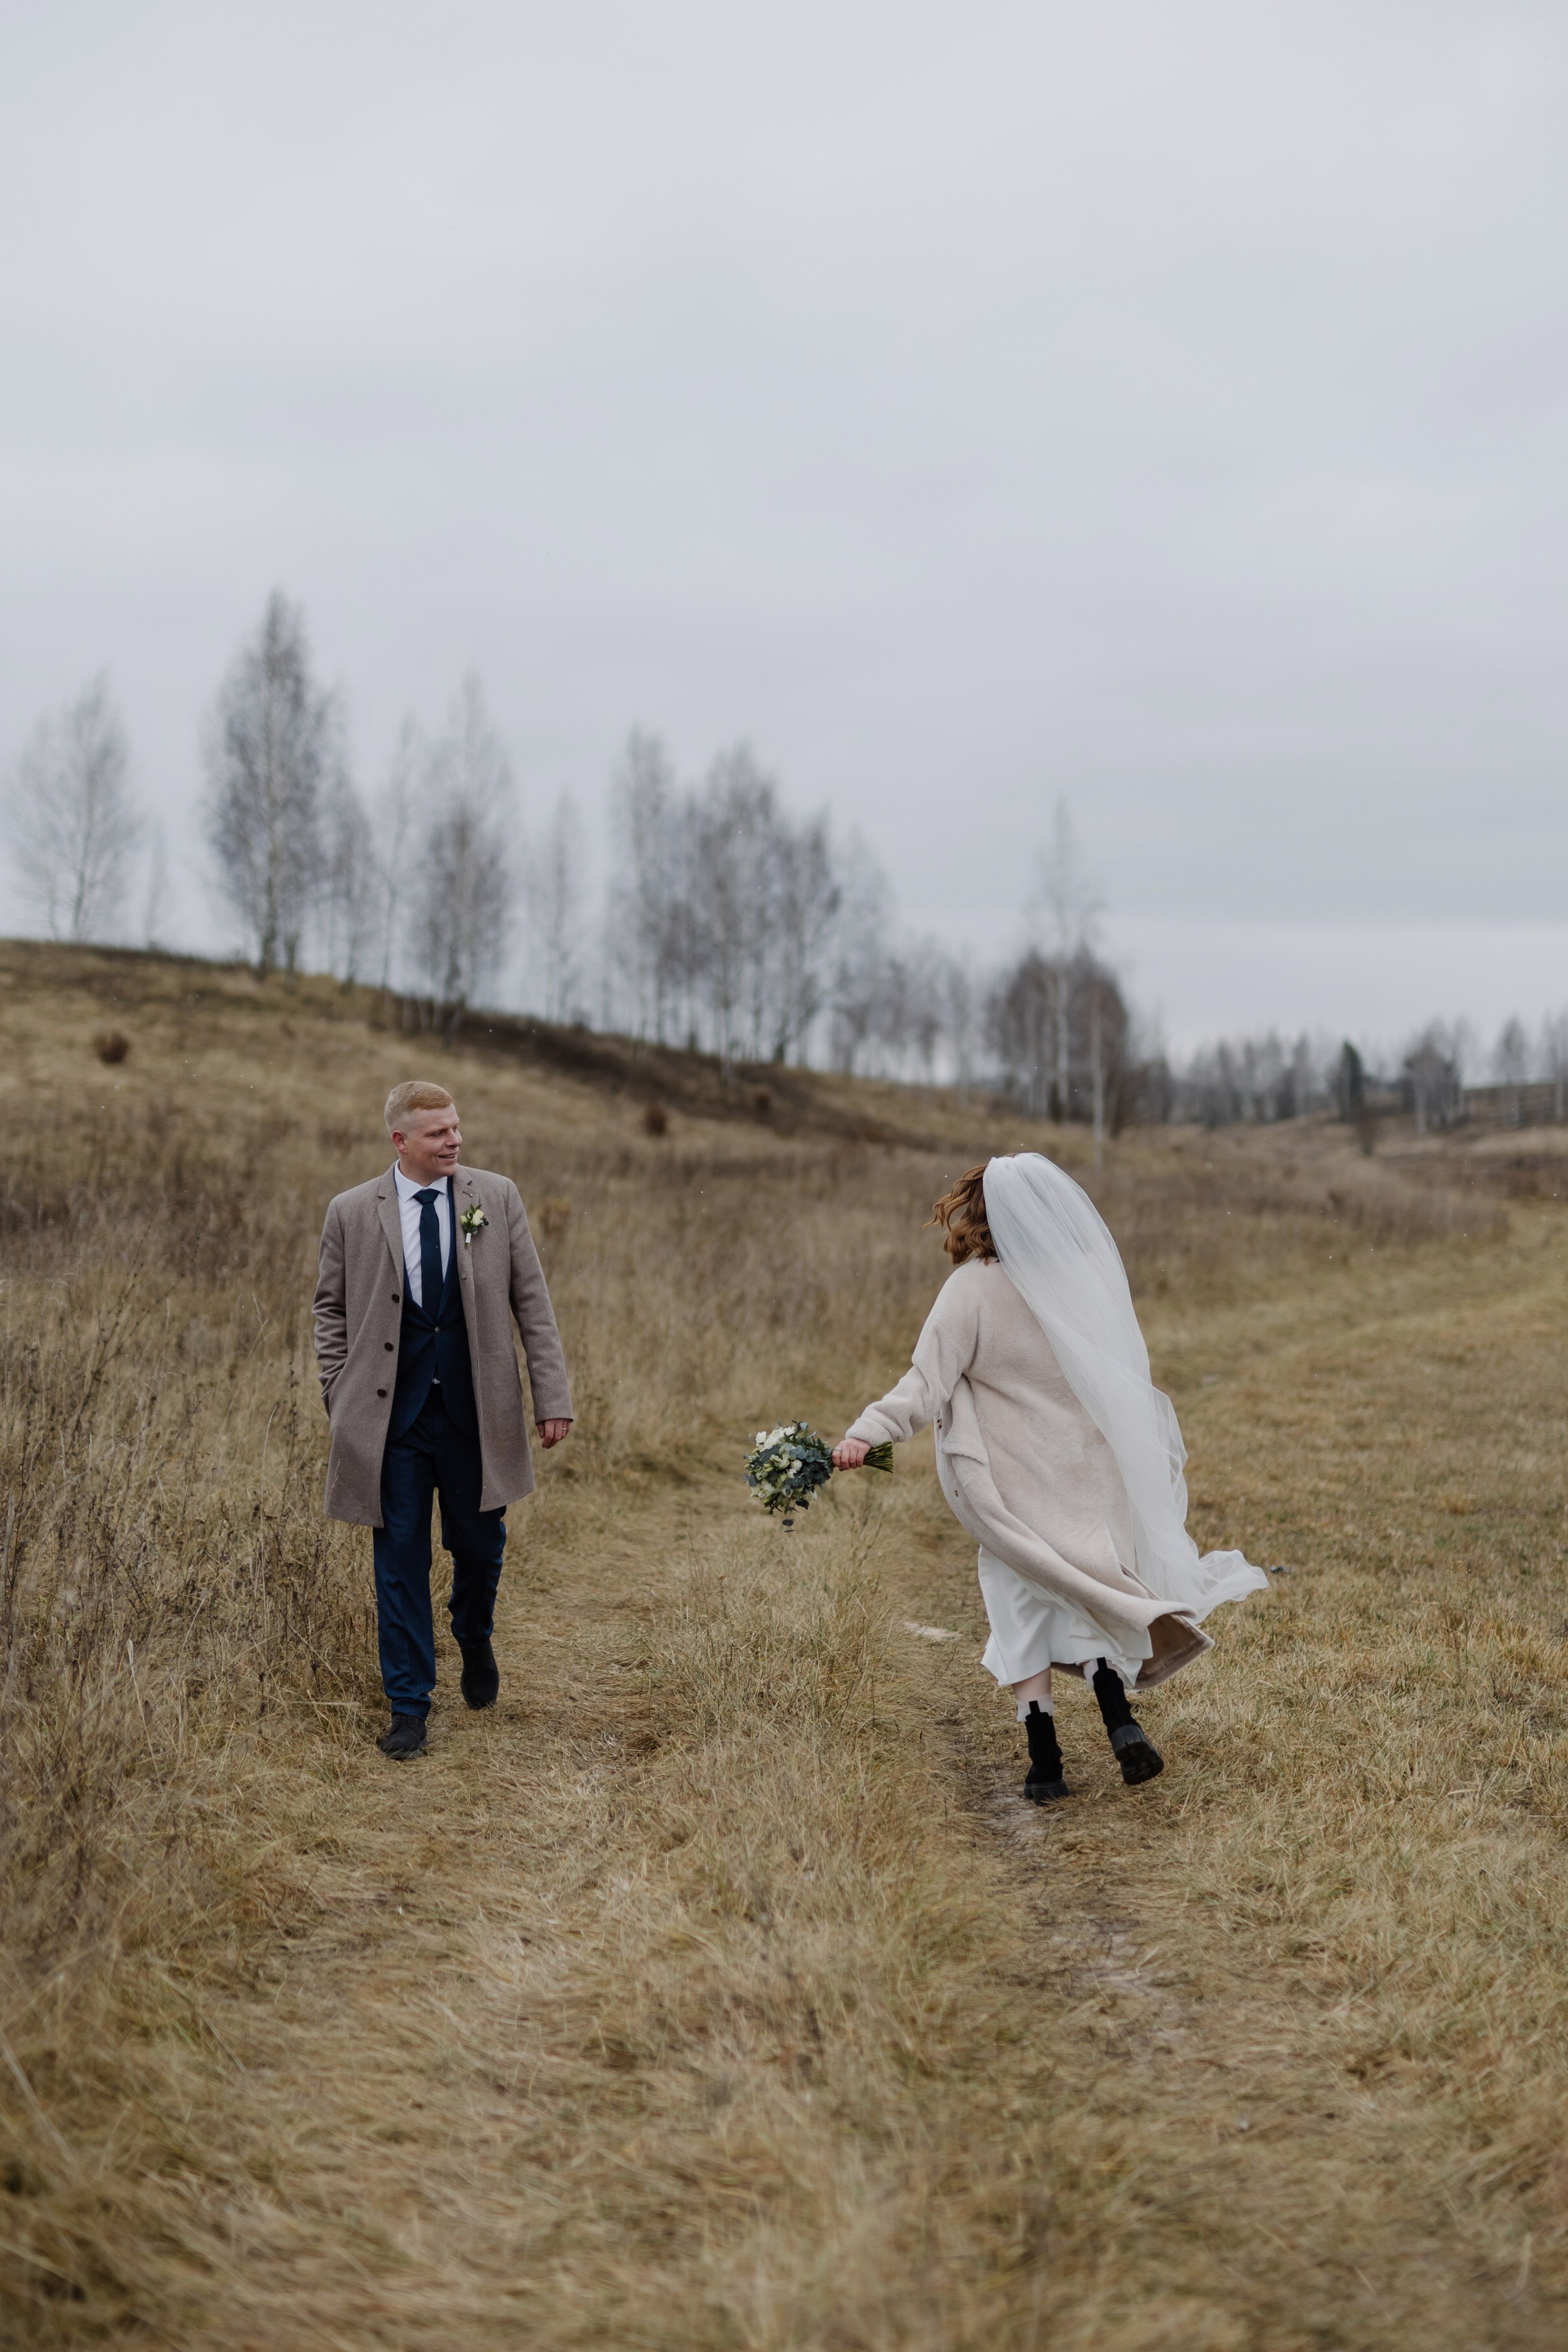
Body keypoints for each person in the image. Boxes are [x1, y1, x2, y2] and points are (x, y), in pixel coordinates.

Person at [833, 1154, 1266, 1802]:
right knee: (1085, 1589)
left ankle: (1045, 1764)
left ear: (978, 1212)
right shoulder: (1076, 1286)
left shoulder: (974, 1289)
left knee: (1021, 1604)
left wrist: (867, 1433)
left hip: (1011, 1483)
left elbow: (926, 1384)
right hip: (1088, 1473)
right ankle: (1118, 1719)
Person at [312, 1081, 573, 1760]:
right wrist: (338, 1397)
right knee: (398, 1563)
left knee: (480, 1548)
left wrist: (553, 1398)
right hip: (388, 1423)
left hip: (474, 1414)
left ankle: (473, 1633)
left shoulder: (497, 1196)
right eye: (438, 1133)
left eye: (456, 1128)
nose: (454, 1140)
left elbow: (533, 1305)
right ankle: (409, 1707)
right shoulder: (349, 1212)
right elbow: (330, 1312)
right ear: (401, 1141)